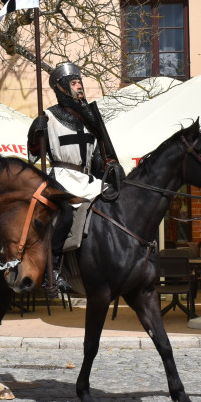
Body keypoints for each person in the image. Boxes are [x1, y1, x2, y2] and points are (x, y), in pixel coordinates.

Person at [27, 61, 119, 290]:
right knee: (65, 215)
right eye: (74, 83)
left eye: (80, 82)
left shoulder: (90, 119)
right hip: (61, 178)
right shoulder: (48, 117)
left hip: (87, 180)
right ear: (62, 87)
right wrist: (35, 131)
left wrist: (110, 168)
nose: (79, 87)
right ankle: (54, 269)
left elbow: (98, 156)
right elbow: (33, 155)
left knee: (116, 201)